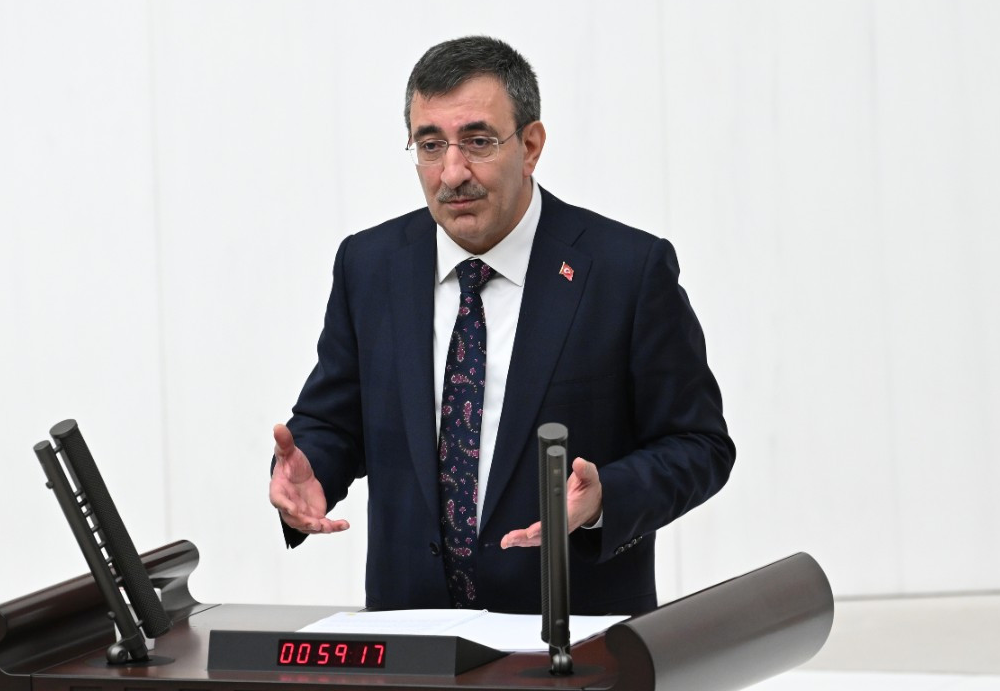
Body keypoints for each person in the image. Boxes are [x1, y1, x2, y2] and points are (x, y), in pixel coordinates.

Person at [268, 36, 735, 615]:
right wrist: (312, 467)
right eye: (430, 145)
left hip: (575, 634)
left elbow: (699, 445)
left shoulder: (626, 271)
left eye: (478, 142)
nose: (452, 172)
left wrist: (605, 498)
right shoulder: (369, 265)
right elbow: (335, 421)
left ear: (530, 146)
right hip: (413, 634)